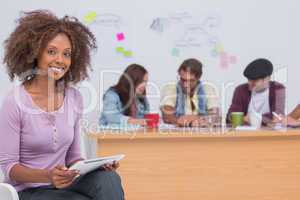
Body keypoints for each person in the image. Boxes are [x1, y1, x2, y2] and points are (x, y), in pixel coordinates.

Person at [0, 10, 124, 200]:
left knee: (108, 178)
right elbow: (9, 167)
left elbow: (74, 157)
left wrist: (96, 166)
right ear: (34, 53)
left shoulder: (74, 98)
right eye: (51, 51)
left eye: (66, 54)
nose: (60, 60)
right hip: (28, 190)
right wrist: (48, 175)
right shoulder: (14, 101)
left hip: (64, 184)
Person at [160, 58, 220, 127]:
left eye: (190, 81)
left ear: (198, 77)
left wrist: (196, 118)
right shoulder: (170, 88)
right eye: (183, 80)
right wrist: (190, 122)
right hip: (177, 135)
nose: (185, 85)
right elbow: (167, 117)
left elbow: (215, 116)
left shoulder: (208, 89)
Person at [227, 58, 285, 125]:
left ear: (267, 79)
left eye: (254, 80)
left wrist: (253, 118)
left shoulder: (277, 89)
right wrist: (233, 117)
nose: (250, 83)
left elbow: (277, 115)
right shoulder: (240, 90)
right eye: (249, 79)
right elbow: (231, 115)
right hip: (245, 132)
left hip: (269, 131)